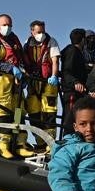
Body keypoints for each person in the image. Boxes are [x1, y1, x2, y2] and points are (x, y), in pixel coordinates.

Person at [0, 14, 36, 159]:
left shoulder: (13, 38)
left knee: (19, 112)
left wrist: (23, 72)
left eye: (9, 25)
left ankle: (20, 144)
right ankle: (3, 145)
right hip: (1, 84)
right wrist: (11, 68)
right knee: (3, 114)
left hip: (16, 84)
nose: (7, 28)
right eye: (4, 24)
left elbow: (20, 58)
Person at [23, 20, 62, 151]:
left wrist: (54, 76)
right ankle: (40, 142)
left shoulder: (52, 42)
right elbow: (23, 61)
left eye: (43, 31)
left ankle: (50, 144)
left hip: (48, 82)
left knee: (49, 113)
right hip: (32, 82)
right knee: (33, 113)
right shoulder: (27, 44)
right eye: (39, 32)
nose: (41, 34)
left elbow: (55, 61)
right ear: (32, 32)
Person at [59, 28, 91, 118]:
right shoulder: (72, 51)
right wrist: (75, 82)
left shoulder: (77, 52)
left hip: (77, 92)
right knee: (70, 118)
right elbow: (67, 70)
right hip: (72, 92)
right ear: (83, 39)